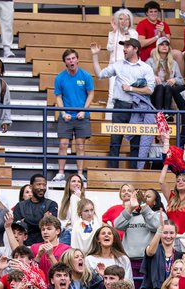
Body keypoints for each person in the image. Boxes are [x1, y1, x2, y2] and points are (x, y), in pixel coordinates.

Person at [91, 37, 155, 171]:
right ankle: (112, 172)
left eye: (127, 46)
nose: (124, 49)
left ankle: (134, 173)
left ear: (136, 49)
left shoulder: (146, 68)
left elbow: (150, 90)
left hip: (137, 108)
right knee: (115, 141)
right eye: (124, 46)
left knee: (136, 143)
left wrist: (131, 89)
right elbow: (100, 75)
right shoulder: (118, 64)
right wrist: (95, 55)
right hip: (120, 107)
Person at [53, 49, 95, 184]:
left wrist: (84, 110)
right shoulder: (59, 78)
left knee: (81, 146)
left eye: (73, 58)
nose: (71, 61)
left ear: (77, 59)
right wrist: (63, 112)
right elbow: (58, 97)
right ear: (65, 62)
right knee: (63, 144)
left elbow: (91, 94)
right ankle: (60, 173)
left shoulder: (86, 76)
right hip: (66, 117)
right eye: (68, 59)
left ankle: (80, 174)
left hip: (82, 116)